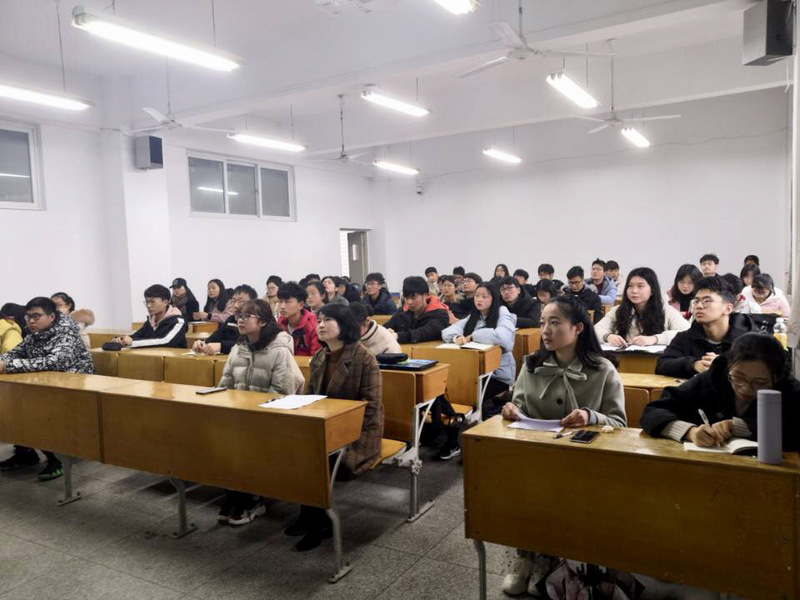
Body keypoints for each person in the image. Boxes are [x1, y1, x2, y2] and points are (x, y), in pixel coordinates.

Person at [500, 295, 626, 597]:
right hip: (536, 456)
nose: (546, 330)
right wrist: (511, 409)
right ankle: (526, 558)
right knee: (523, 493)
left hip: (583, 460)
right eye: (543, 322)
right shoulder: (532, 364)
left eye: (555, 322)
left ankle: (558, 561)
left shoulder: (603, 369)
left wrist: (590, 416)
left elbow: (620, 423)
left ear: (578, 328)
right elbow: (519, 404)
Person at [284, 303, 383, 551]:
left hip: (358, 434)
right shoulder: (320, 356)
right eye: (319, 320)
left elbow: (371, 407)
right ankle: (310, 516)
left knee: (316, 459)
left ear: (345, 325)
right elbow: (309, 397)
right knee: (296, 452)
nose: (320, 325)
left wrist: (338, 427)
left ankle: (318, 522)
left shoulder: (364, 358)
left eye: (328, 320)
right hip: (325, 428)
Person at [217, 298, 305, 525]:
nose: (240, 320)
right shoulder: (237, 348)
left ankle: (252, 498)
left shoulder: (279, 351)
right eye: (239, 316)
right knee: (220, 437)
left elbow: (282, 392)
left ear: (263, 322)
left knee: (248, 442)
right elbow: (225, 385)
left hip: (273, 418)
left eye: (247, 316)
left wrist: (252, 416)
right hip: (242, 417)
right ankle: (235, 493)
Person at [642, 333, 798, 450]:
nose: (745, 388)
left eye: (760, 382)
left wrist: (741, 426)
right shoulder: (715, 377)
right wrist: (689, 432)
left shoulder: (789, 389)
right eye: (738, 377)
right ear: (729, 366)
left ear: (777, 377)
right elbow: (652, 412)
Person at [0, 297, 95, 480]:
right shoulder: (34, 335)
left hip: (75, 387)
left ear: (51, 316)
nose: (31, 321)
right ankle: (25, 453)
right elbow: (13, 354)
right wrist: (3, 362)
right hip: (47, 384)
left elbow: (55, 362)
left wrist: (7, 366)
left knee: (36, 408)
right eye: (28, 316)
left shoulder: (66, 333)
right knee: (14, 404)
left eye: (36, 316)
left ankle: (56, 459)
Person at [443, 282, 517, 425]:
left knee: (466, 390)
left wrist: (473, 336)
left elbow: (503, 338)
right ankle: (457, 423)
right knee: (453, 386)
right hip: (475, 372)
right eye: (477, 296)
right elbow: (448, 331)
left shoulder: (502, 313)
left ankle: (474, 422)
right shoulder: (475, 315)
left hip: (498, 374)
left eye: (484, 296)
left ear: (493, 298)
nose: (479, 299)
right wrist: (456, 337)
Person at [656, 277, 756, 379]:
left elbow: (760, 371)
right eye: (696, 301)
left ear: (728, 308)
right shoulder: (686, 337)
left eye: (707, 301)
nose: (699, 306)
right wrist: (694, 364)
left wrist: (725, 365)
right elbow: (662, 365)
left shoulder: (751, 340)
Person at [595, 268, 689, 347]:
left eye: (640, 286)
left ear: (652, 290)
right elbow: (595, 330)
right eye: (630, 286)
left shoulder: (665, 311)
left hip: (656, 360)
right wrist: (608, 336)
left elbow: (687, 332)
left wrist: (656, 338)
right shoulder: (618, 311)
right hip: (624, 360)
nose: (634, 291)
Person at [112, 285, 188, 348]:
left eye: (152, 302)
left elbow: (166, 341)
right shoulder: (151, 321)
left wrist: (132, 342)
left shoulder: (178, 321)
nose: (148, 305)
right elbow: (137, 335)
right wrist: (121, 339)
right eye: (147, 302)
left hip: (174, 360)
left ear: (165, 302)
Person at [193, 284, 257, 355]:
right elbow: (215, 338)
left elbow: (251, 345)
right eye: (233, 301)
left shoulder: (255, 322)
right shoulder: (231, 319)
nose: (236, 306)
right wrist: (202, 343)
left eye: (241, 301)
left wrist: (222, 346)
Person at [384, 276, 449, 344]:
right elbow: (386, 326)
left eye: (413, 298)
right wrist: (386, 332)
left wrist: (397, 336)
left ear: (425, 295)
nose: (409, 302)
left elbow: (423, 333)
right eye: (407, 298)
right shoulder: (402, 312)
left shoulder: (439, 314)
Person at [276, 282, 321, 356]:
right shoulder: (279, 323)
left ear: (301, 305)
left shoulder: (314, 325)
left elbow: (316, 358)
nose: (282, 306)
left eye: (287, 302)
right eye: (280, 301)